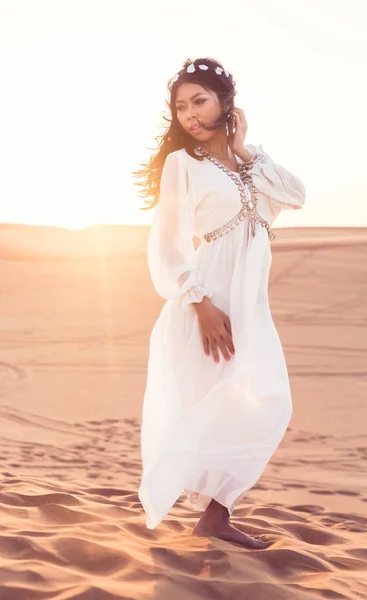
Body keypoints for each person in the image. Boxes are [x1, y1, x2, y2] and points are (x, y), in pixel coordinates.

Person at [132, 57, 306, 549]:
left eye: (200, 101)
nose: (189, 114)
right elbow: (166, 244)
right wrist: (200, 303)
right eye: (181, 107)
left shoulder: (254, 164)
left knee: (268, 402)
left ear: (225, 103)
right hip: (207, 306)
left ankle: (216, 513)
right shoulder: (181, 164)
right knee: (213, 403)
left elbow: (297, 194)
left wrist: (243, 148)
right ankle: (213, 514)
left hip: (250, 306)